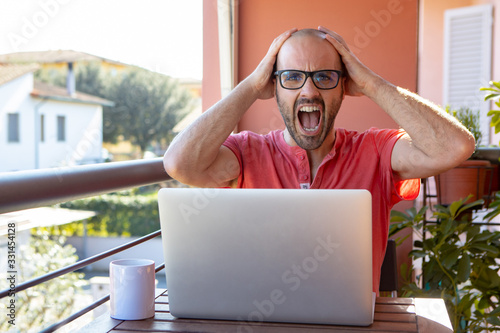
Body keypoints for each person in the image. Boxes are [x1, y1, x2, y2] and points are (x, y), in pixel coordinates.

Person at [163, 27, 476, 293]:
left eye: (325, 77)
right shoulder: (246, 155)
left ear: (344, 85)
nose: (309, 90)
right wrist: (250, 86)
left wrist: (371, 83)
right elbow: (180, 164)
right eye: (292, 77)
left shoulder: (376, 151)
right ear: (273, 86)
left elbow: (454, 147)